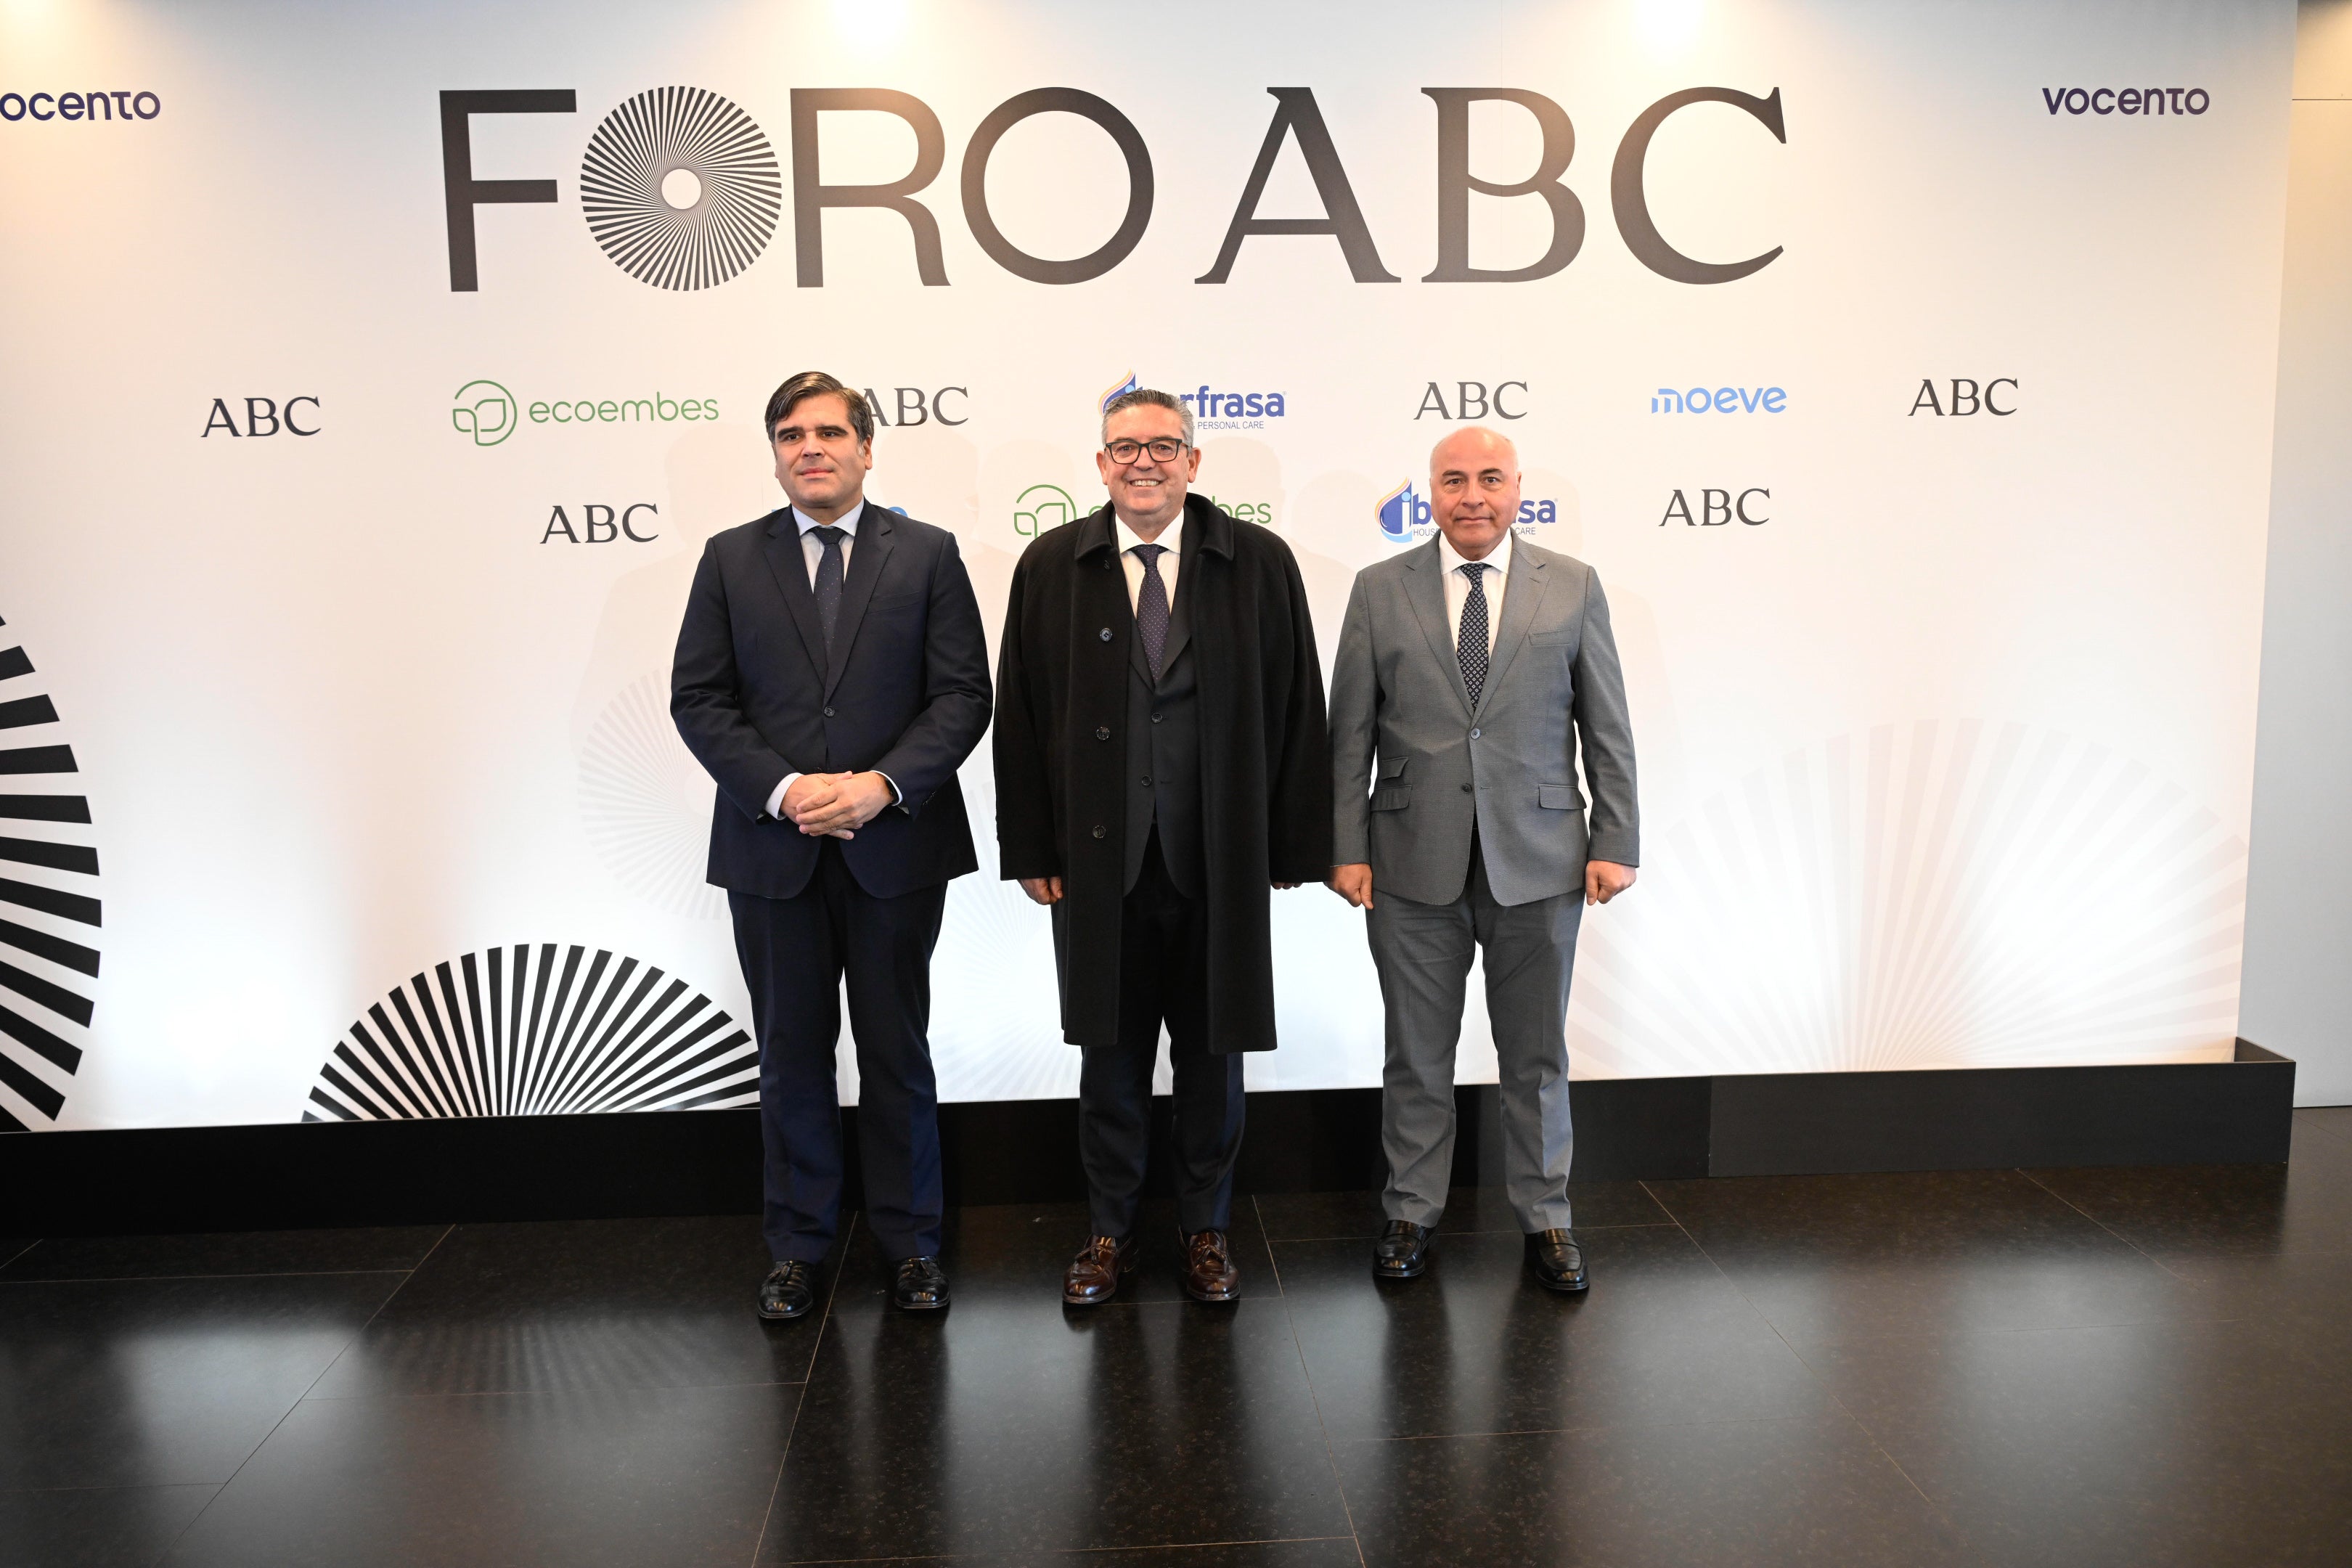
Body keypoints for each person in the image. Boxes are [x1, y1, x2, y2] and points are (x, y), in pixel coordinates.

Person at [995, 388, 1330, 1306]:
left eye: (1163, 447)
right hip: (1098, 864)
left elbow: (1302, 702)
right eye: (1123, 448)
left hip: (1219, 859)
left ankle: (1206, 1231)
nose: (1143, 463)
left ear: (1193, 461)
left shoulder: (1257, 561)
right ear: (1100, 465)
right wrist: (1030, 844)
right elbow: (1016, 716)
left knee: (1215, 1059)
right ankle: (1108, 1234)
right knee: (1108, 1056)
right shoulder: (1052, 564)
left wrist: (1294, 841)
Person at [672, 371, 991, 1319]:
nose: (807, 447)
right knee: (791, 1056)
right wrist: (785, 789)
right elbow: (700, 699)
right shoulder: (729, 558)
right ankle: (799, 1247)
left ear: (866, 447)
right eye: (788, 434)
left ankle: (912, 1248)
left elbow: (963, 695)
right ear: (775, 453)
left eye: (826, 432)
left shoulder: (928, 555)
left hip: (895, 847)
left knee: (898, 1053)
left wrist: (878, 785)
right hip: (774, 853)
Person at [1326, 425, 1638, 1292]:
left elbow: (1606, 726)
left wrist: (1616, 840)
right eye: (1453, 480)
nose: (1472, 496)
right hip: (1408, 862)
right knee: (1416, 1056)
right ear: (1429, 491)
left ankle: (1547, 1219)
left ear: (1517, 489)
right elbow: (1348, 733)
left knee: (1536, 1059)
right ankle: (1410, 1213)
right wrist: (1346, 848)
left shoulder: (1572, 587)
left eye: (1489, 479)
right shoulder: (1379, 590)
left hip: (1539, 863)